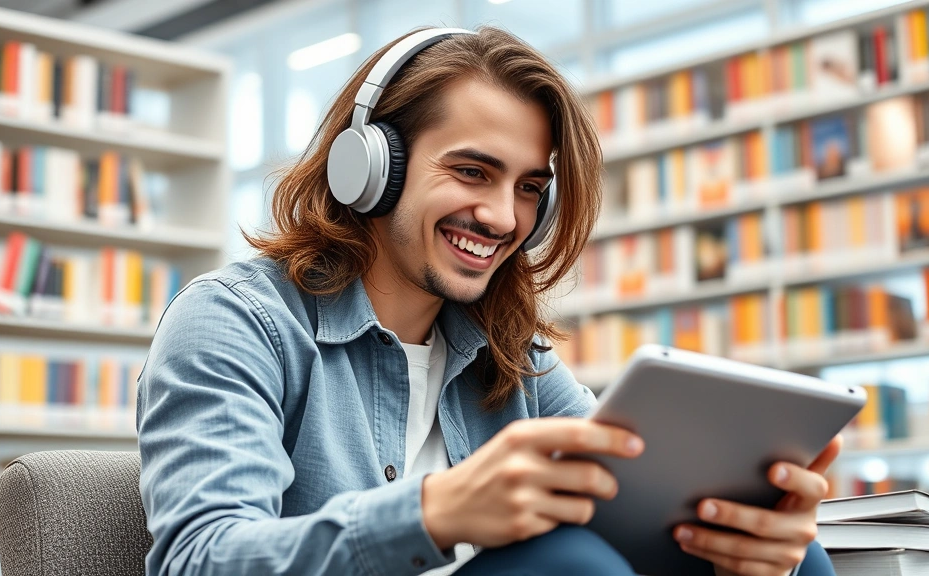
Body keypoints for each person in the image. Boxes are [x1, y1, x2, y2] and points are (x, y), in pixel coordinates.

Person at [136, 26, 840, 576]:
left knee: (792, 560)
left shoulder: (512, 357)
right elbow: (200, 561)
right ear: (371, 167)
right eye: (473, 171)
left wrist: (740, 549)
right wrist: (435, 513)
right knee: (564, 565)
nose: (505, 218)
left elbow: (632, 529)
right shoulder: (235, 322)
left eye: (530, 187)